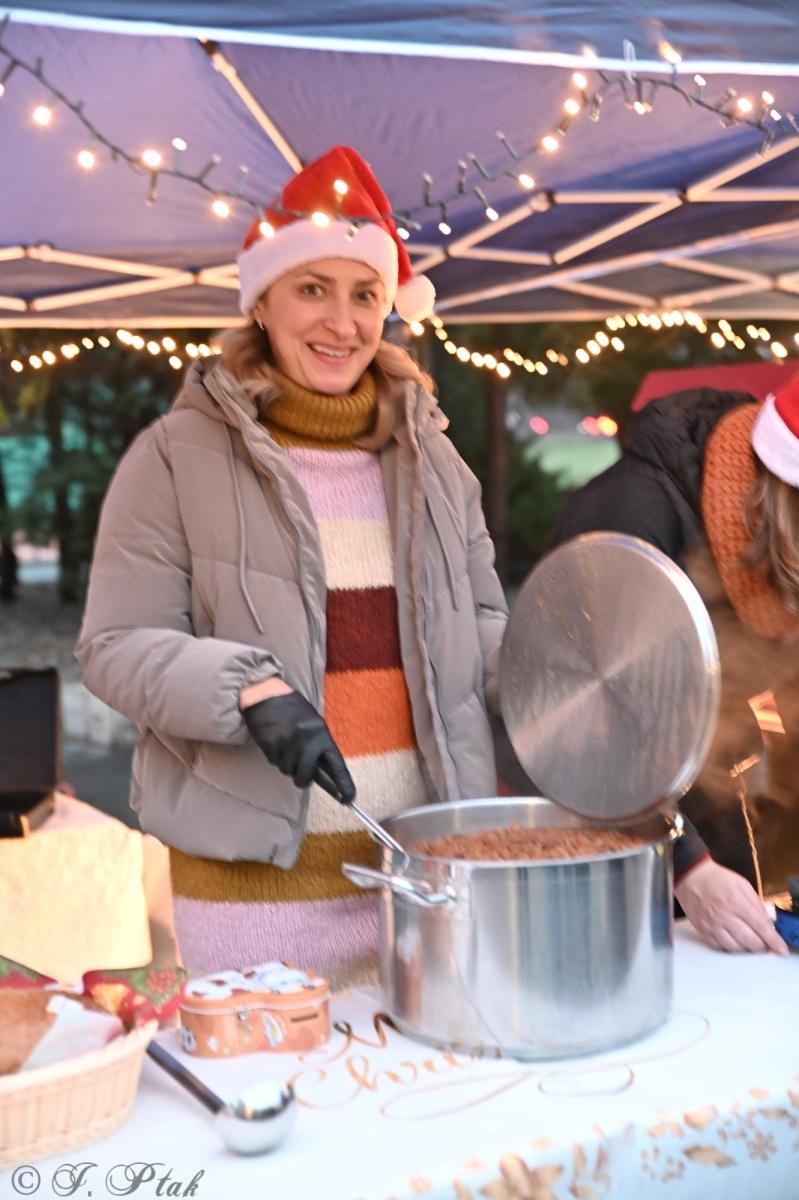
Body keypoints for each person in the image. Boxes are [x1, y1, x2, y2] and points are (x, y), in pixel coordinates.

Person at [75, 145, 508, 986]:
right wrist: (246, 687)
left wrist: (567, 677)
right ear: (262, 303)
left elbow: (483, 631)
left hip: (423, 881)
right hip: (252, 897)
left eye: (364, 296)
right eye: (312, 289)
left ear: (390, 309)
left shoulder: (440, 466)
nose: (340, 323)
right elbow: (115, 644)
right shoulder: (173, 455)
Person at [551, 382, 799, 956]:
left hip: (719, 817)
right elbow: (581, 724)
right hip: (619, 848)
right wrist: (687, 867)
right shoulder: (626, 516)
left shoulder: (768, 532)